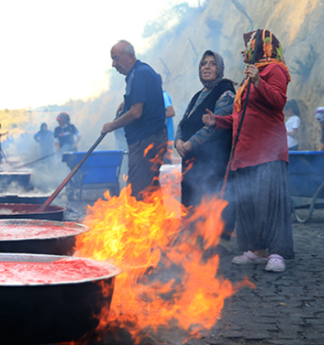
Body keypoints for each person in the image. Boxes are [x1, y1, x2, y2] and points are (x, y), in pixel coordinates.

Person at [202, 29, 293, 272]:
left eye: (248, 45)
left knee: (270, 202)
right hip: (245, 152)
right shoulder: (249, 77)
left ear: (261, 47)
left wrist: (258, 82)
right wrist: (217, 122)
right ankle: (257, 250)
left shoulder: (275, 70)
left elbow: (278, 101)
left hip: (268, 151)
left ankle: (277, 253)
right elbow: (240, 117)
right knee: (249, 204)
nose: (244, 50)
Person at [174, 50, 236, 252]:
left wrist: (189, 144)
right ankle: (194, 238)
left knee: (215, 197)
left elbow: (215, 125)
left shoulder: (226, 92)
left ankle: (221, 243)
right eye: (203, 64)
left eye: (212, 64)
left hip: (214, 160)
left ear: (220, 68)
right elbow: (183, 122)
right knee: (191, 198)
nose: (206, 67)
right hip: (191, 160)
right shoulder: (197, 95)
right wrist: (178, 141)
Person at [101, 40, 167, 200]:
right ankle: (157, 224)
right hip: (153, 137)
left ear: (130, 57)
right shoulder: (143, 71)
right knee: (150, 187)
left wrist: (112, 125)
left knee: (139, 190)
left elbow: (136, 113)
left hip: (146, 139)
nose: (113, 64)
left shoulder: (137, 74)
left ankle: (140, 225)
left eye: (116, 58)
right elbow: (150, 94)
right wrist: (128, 101)